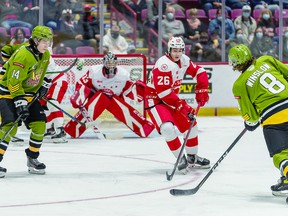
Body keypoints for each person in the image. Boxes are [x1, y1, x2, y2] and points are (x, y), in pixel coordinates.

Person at [228, 44, 288, 196]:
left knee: (281, 154)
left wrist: (249, 124)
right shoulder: (266, 60)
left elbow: (252, 117)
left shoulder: (240, 85)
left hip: (274, 120)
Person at [145, 37, 210, 174]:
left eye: (180, 50)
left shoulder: (184, 60)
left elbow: (199, 71)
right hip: (156, 101)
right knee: (167, 128)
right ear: (169, 50)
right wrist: (183, 106)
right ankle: (180, 158)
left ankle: (192, 157)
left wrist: (202, 88)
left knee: (191, 124)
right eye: (174, 50)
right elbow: (163, 93)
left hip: (171, 99)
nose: (177, 53)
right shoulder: (163, 65)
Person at [0, 25, 53, 178]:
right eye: (44, 41)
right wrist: (20, 102)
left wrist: (44, 85)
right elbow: (12, 81)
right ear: (35, 40)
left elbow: (42, 73)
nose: (47, 44)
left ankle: (32, 158)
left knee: (40, 125)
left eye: (49, 41)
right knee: (10, 127)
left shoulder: (45, 54)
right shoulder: (24, 55)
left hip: (29, 95)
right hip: (9, 93)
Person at [64, 52, 155, 139]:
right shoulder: (94, 71)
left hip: (115, 98)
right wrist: (78, 98)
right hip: (96, 97)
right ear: (103, 63)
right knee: (100, 98)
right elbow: (83, 84)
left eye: (113, 63)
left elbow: (130, 89)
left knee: (125, 110)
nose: (111, 65)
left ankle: (144, 128)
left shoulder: (123, 74)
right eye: (108, 63)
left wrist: (144, 93)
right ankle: (73, 129)